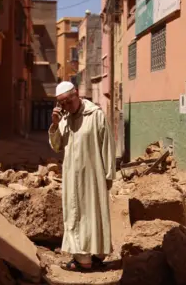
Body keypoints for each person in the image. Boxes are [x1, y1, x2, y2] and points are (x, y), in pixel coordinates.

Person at [48, 81, 116, 272]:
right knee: (75, 215)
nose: (66, 106)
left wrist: (108, 175)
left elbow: (107, 146)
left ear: (76, 94)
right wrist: (55, 125)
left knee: (94, 214)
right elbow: (57, 146)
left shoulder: (95, 115)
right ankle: (82, 258)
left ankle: (95, 256)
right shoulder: (64, 120)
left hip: (93, 177)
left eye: (68, 101)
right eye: (62, 104)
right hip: (71, 177)